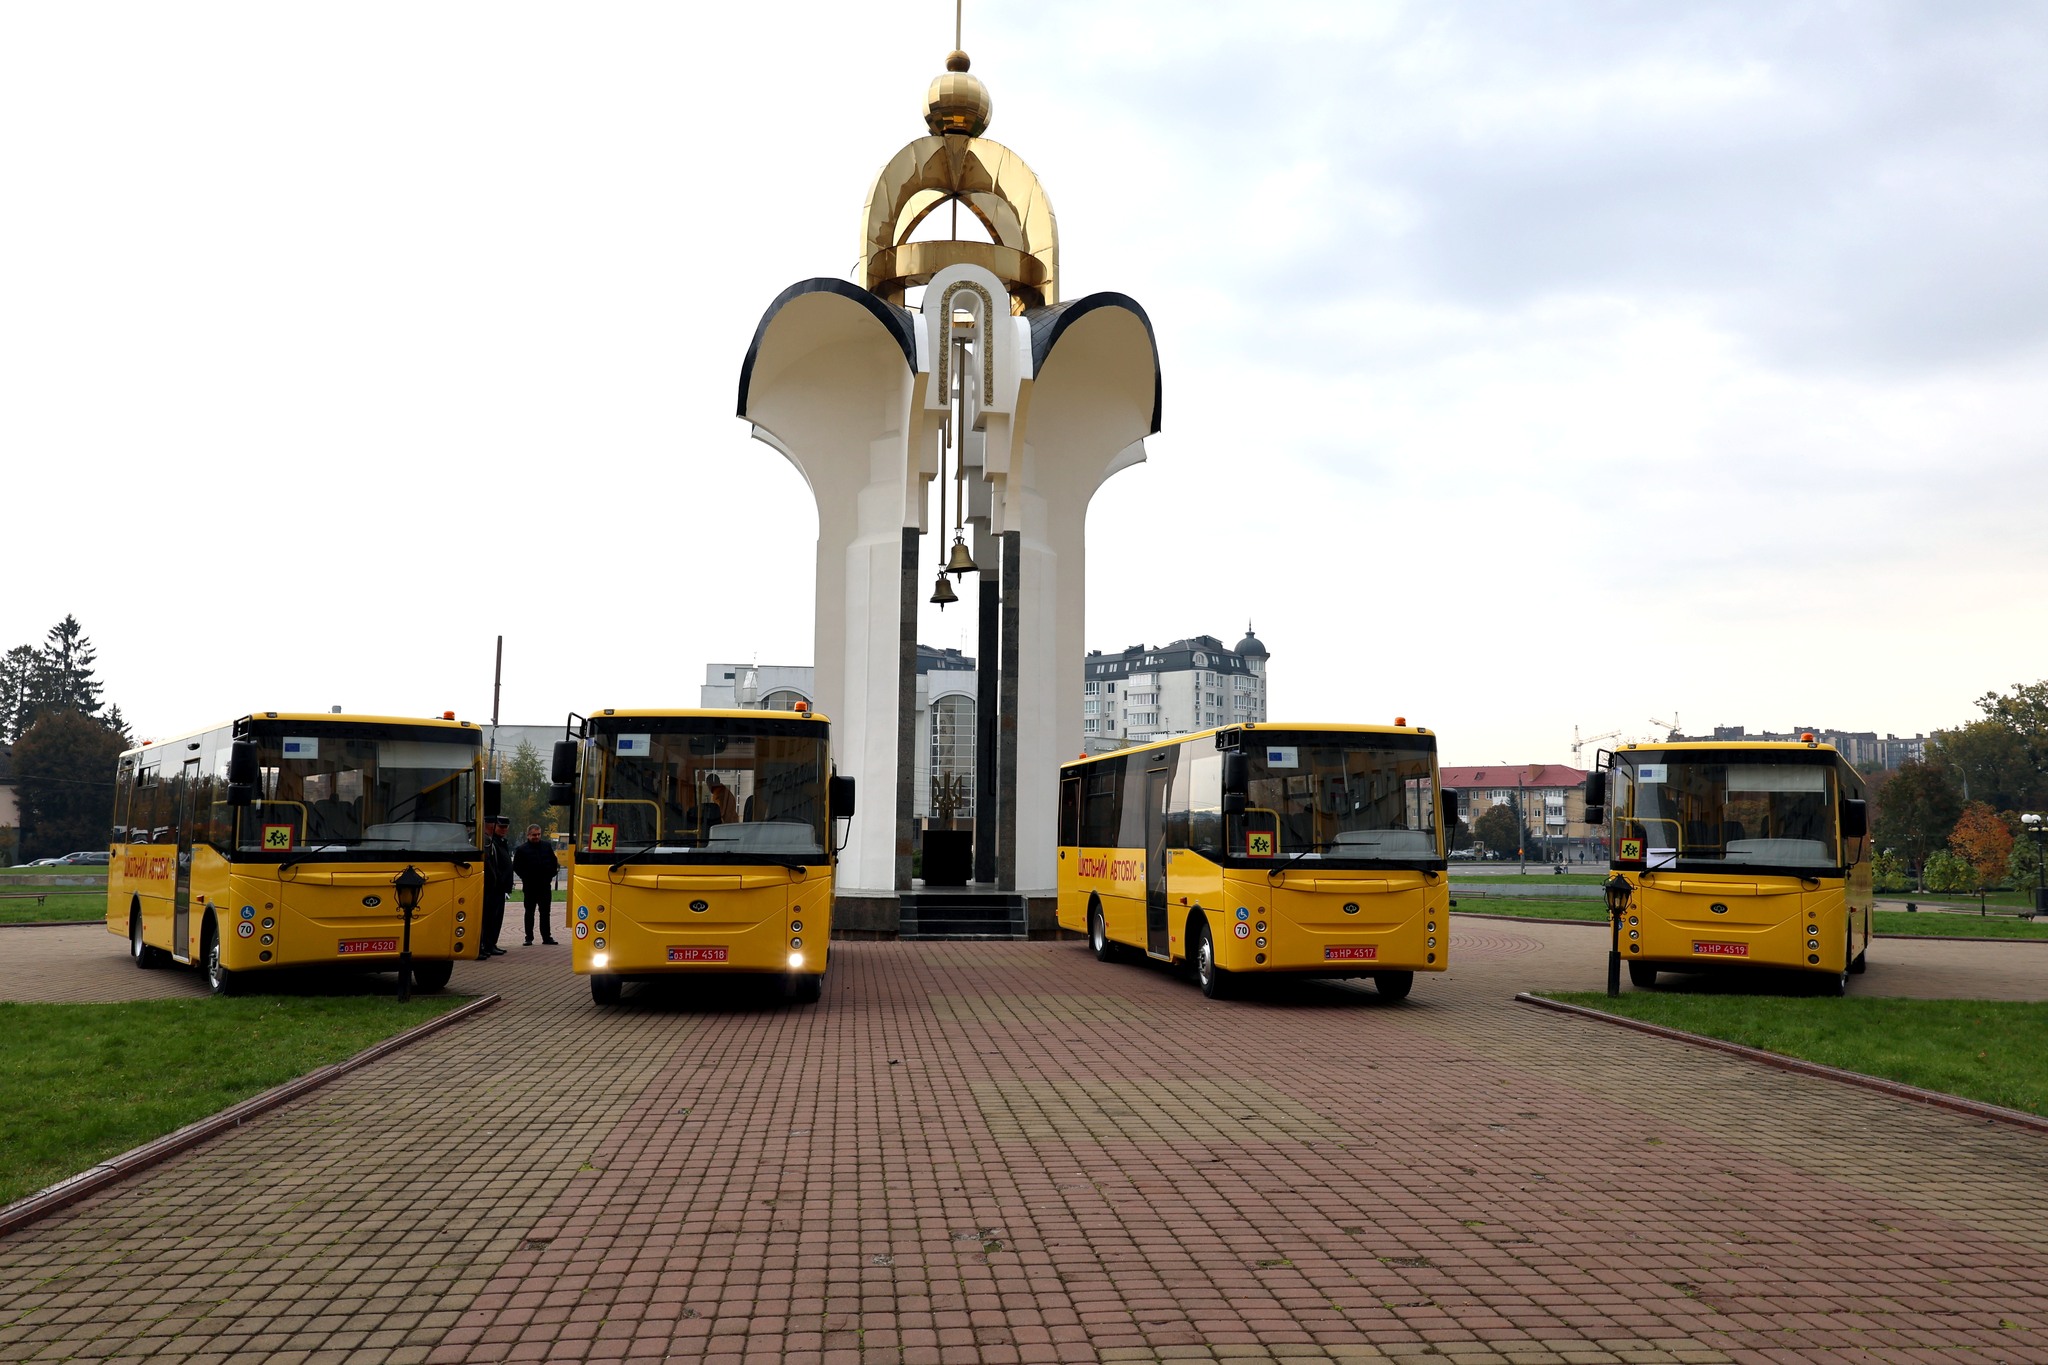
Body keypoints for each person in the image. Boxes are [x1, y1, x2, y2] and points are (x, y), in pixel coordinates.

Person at [513, 822, 560, 945]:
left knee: (545, 912)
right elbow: (517, 867)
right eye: (534, 835)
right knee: (529, 912)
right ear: (528, 835)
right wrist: (525, 877)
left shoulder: (546, 846)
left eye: (538, 834)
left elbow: (554, 862)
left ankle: (546, 937)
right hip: (530, 886)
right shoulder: (522, 849)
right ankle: (529, 938)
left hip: (544, 885)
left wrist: (551, 874)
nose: (537, 837)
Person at [478, 816, 513, 958]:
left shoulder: (500, 842)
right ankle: (484, 945)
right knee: (488, 918)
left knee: (496, 918)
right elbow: (491, 865)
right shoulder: (488, 842)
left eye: (505, 827)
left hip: (500, 887)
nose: (503, 830)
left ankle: (491, 944)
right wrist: (498, 880)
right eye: (500, 827)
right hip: (493, 887)